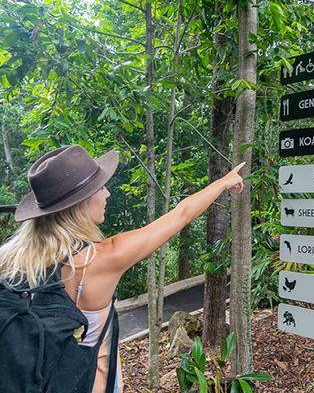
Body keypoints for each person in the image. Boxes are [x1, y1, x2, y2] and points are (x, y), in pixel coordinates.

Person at [0, 145, 244, 392]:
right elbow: (181, 215)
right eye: (100, 187)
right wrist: (224, 182)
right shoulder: (100, 260)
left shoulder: (9, 261)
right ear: (81, 202)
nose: (107, 194)